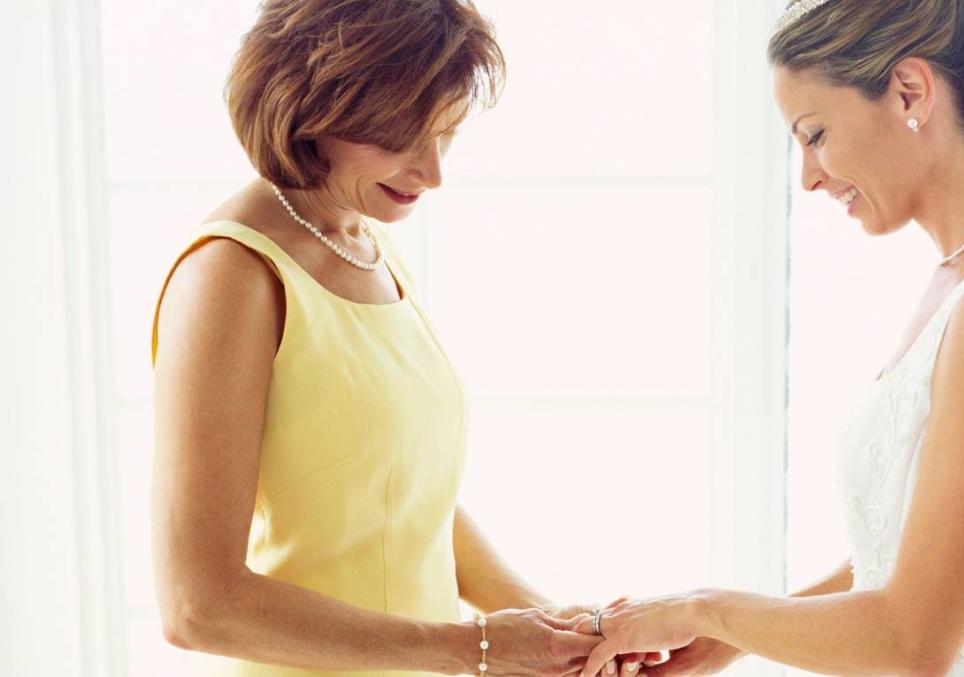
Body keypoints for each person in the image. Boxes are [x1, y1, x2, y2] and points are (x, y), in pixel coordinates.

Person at [575, 1, 964, 675]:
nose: (809, 176)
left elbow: (913, 641)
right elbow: (915, 555)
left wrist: (702, 607)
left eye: (815, 134)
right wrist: (734, 637)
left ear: (910, 91)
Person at [150, 1, 643, 675]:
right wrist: (478, 647)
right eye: (402, 138)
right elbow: (197, 605)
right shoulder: (232, 276)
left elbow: (400, 486)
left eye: (446, 133)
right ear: (311, 109)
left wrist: (551, 626)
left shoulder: (361, 238)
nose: (432, 171)